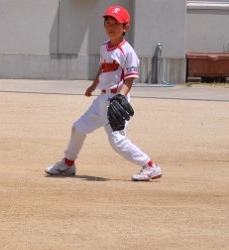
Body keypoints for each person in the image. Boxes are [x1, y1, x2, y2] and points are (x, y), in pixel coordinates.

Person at [45, 5, 160, 182]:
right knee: (78, 128)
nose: (111, 27)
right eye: (108, 22)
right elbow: (103, 68)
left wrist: (120, 97)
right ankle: (68, 163)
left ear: (126, 27)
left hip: (116, 99)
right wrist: (93, 86)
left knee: (117, 141)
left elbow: (129, 80)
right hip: (101, 99)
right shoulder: (104, 47)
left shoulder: (128, 51)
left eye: (116, 23)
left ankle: (150, 166)